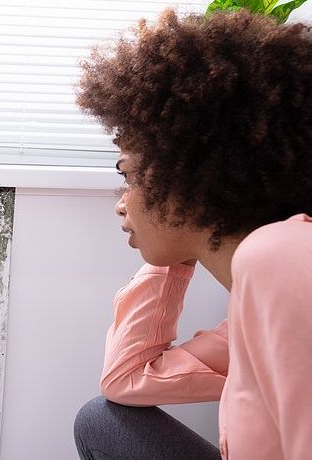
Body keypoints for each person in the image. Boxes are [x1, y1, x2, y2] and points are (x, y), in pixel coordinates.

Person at [72, 7, 312, 460]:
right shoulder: (253, 294)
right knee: (101, 419)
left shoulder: (280, 259)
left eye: (130, 176)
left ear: (188, 177)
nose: (122, 203)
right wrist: (178, 245)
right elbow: (125, 381)